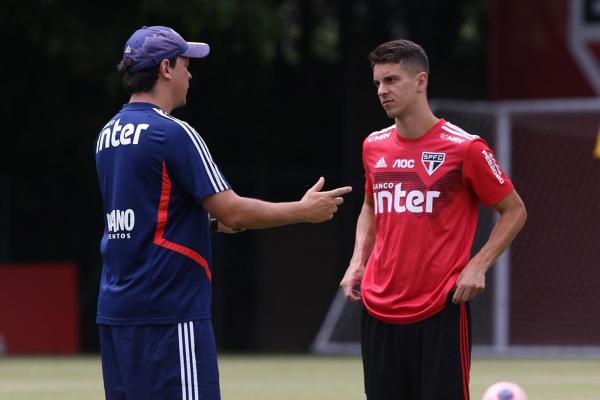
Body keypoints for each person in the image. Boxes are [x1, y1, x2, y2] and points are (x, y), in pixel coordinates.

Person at [94, 25, 352, 400]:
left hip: (117, 309)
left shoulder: (108, 133)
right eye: (185, 64)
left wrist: (205, 224)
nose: (190, 74)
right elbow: (232, 211)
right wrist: (302, 210)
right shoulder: (173, 132)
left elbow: (146, 215)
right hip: (169, 311)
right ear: (166, 69)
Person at [339, 39, 527, 400]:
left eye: (392, 80)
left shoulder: (465, 147)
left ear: (421, 81)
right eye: (378, 82)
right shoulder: (373, 145)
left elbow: (514, 210)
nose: (382, 91)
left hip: (439, 310)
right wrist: (357, 262)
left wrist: (478, 266)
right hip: (378, 310)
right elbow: (370, 205)